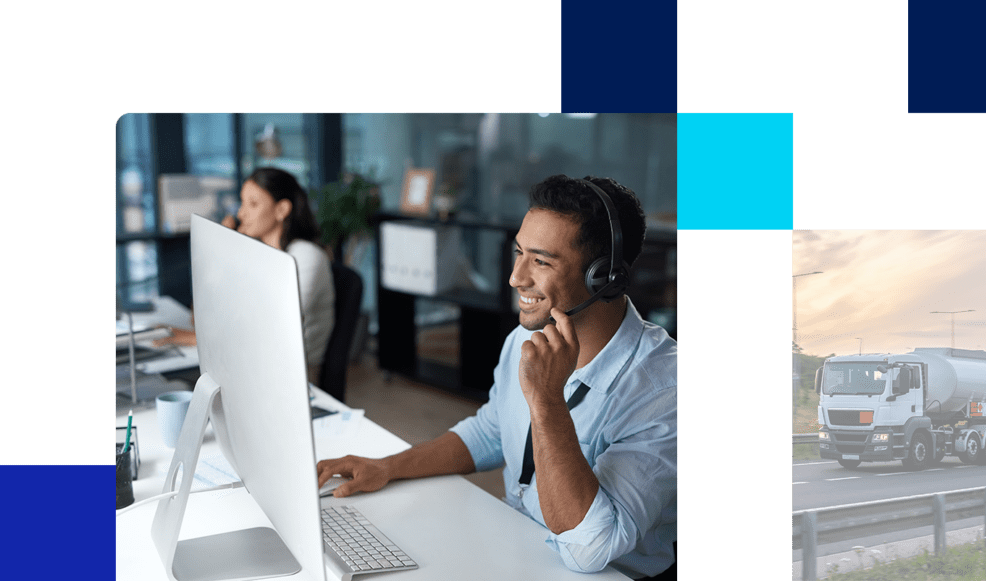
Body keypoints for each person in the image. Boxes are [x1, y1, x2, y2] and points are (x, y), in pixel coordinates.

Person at [316, 175, 677, 580]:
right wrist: (388, 467)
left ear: (604, 277)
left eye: (540, 261)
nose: (516, 277)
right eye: (518, 253)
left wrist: (547, 401)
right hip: (517, 546)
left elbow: (590, 549)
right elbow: (491, 431)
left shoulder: (665, 387)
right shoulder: (526, 337)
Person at [157, 167, 335, 383]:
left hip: (292, 378)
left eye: (253, 204)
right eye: (242, 203)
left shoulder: (306, 257)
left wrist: (194, 339)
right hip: (252, 366)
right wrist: (220, 254)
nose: (241, 214)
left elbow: (269, 333)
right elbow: (200, 320)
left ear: (281, 210)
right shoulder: (257, 257)